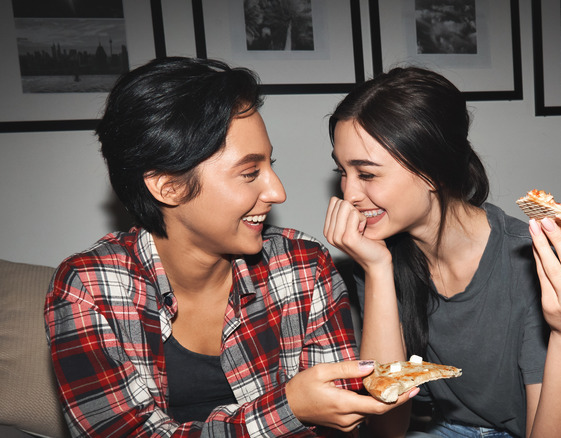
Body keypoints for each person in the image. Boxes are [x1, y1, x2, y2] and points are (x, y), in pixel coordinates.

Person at [43, 57, 413, 437]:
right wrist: (287, 410)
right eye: (250, 173)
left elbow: (355, 422)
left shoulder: (301, 265)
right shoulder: (89, 289)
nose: (277, 191)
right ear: (168, 186)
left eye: (270, 165)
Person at [323, 67, 561, 438]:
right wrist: (377, 269)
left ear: (433, 171)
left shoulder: (529, 262)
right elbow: (386, 428)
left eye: (366, 174)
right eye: (342, 172)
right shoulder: (377, 255)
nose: (348, 194)